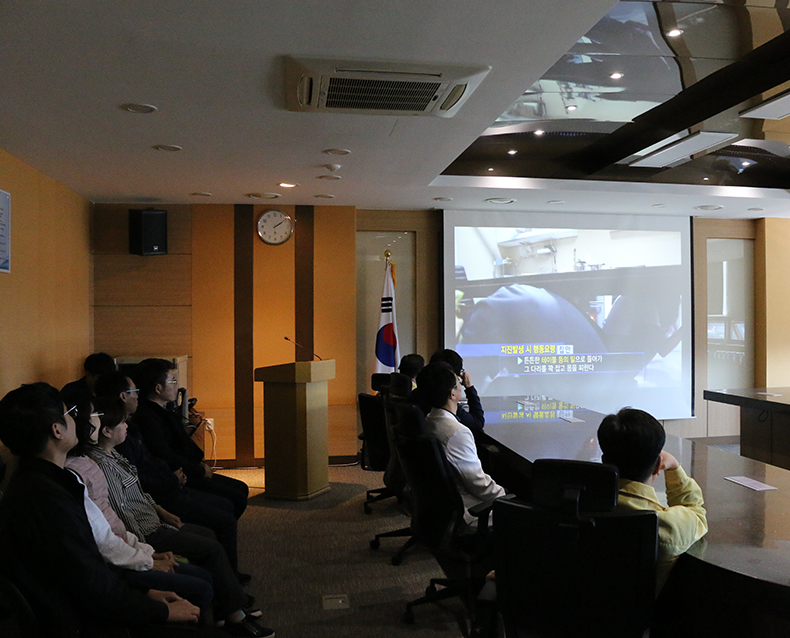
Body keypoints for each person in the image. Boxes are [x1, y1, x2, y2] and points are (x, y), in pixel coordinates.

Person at [0, 382, 224, 637]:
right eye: (69, 413)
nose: (77, 420)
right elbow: (92, 586)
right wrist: (159, 611)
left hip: (95, 604)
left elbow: (91, 565)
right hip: (86, 622)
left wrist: (144, 592)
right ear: (56, 430)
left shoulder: (46, 481)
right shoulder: (46, 499)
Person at [90, 402, 273, 637]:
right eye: (122, 423)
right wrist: (150, 544)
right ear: (106, 431)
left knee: (209, 534)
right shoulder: (102, 464)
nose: (127, 426)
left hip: (153, 520)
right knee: (212, 547)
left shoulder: (114, 454)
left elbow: (137, 492)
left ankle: (226, 610)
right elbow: (123, 510)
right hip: (147, 532)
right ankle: (234, 615)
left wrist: (160, 511)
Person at [63, 393, 215, 614]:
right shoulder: (78, 471)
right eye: (94, 415)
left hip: (133, 543)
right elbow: (112, 528)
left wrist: (147, 545)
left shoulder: (95, 458)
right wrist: (147, 557)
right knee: (202, 581)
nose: (128, 425)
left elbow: (118, 518)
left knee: (206, 564)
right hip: (129, 551)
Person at [97, 371, 245, 581]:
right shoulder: (118, 443)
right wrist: (173, 481)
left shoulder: (135, 426)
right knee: (222, 519)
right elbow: (135, 491)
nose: (137, 395)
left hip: (167, 487)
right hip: (160, 498)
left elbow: (153, 462)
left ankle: (226, 573)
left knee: (232, 502)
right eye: (133, 391)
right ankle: (227, 578)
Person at [597, 407, 708, 592]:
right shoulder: (664, 523)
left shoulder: (577, 504)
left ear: (604, 460)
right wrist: (675, 469)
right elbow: (695, 512)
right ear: (658, 466)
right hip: (635, 617)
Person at [131, 359, 249, 519]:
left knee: (240, 489)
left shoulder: (164, 410)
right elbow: (165, 454)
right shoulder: (147, 417)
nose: (176, 386)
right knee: (235, 498)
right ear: (158, 388)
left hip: (188, 467)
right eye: (172, 381)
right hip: (179, 474)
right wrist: (198, 470)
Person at [424, 363, 505, 524]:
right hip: (470, 508)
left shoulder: (429, 419)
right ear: (452, 394)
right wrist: (503, 494)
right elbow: (477, 482)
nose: (461, 385)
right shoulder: (457, 432)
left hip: (441, 503)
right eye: (458, 384)